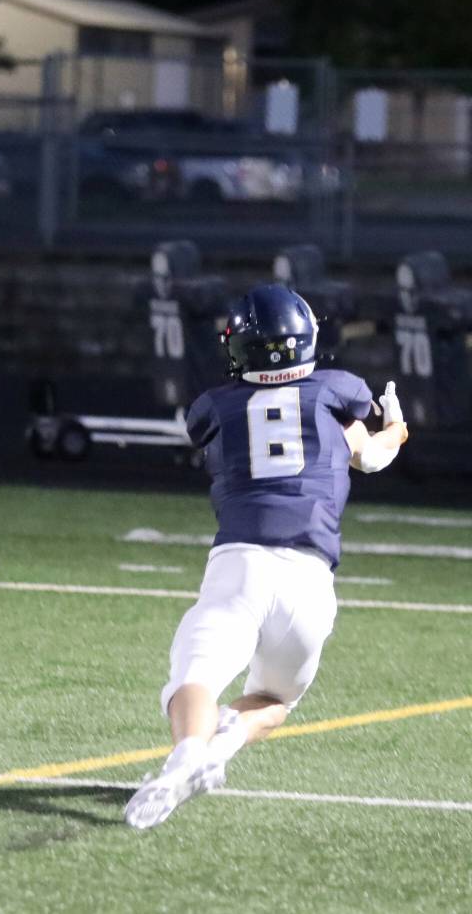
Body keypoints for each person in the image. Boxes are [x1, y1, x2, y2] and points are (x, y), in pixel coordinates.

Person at [123, 283, 409, 830]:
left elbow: (230, 426)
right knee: (275, 699)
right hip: (309, 581)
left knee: (196, 682)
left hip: (240, 568)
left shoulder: (217, 407)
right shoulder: (335, 393)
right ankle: (224, 744)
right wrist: (395, 427)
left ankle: (188, 753)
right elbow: (370, 458)